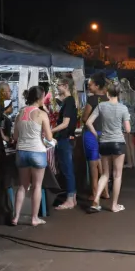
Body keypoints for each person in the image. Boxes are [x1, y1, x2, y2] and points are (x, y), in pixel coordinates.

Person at [85, 84, 130, 213]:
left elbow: (88, 122)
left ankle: (96, 199)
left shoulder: (101, 106)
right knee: (117, 175)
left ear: (107, 94)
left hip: (103, 142)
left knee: (105, 173)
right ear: (119, 94)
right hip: (118, 143)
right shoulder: (123, 108)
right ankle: (114, 205)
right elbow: (128, 129)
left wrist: (96, 135)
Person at [12, 87, 53, 226]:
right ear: (40, 98)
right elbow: (49, 136)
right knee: (37, 186)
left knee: (22, 186)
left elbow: (15, 136)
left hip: (21, 152)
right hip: (37, 152)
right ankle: (34, 218)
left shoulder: (20, 112)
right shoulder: (41, 114)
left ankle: (16, 217)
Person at [51, 78, 78, 210]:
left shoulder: (69, 101)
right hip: (66, 138)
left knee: (67, 169)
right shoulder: (69, 101)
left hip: (65, 139)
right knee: (68, 169)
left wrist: (50, 130)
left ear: (66, 86)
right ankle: (72, 197)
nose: (57, 87)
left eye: (59, 85)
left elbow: (65, 124)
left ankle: (70, 199)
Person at [82, 73, 110, 198]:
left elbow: (84, 118)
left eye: (90, 85)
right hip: (105, 133)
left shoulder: (92, 99)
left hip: (91, 133)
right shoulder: (108, 99)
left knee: (93, 165)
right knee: (103, 163)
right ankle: (105, 191)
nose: (88, 87)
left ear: (97, 86)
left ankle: (94, 193)